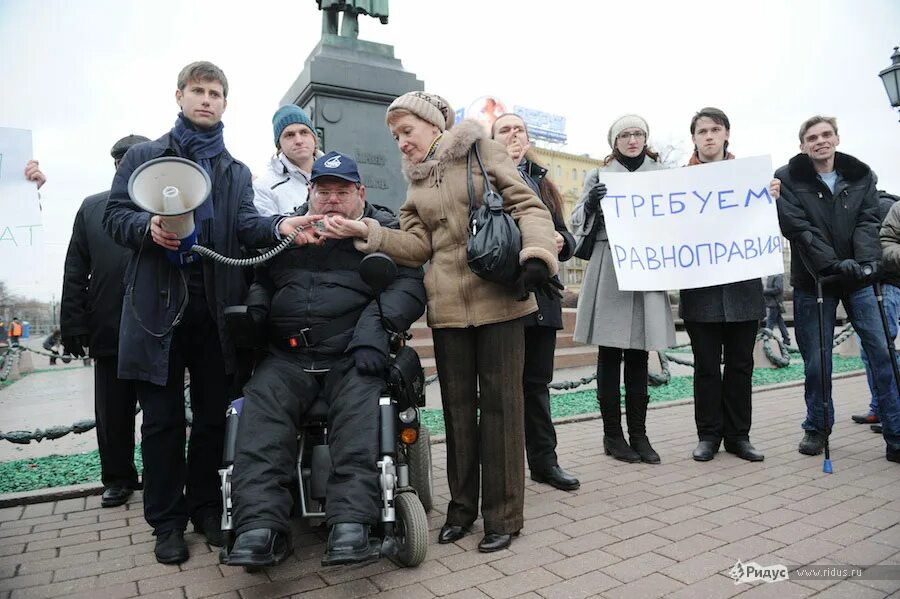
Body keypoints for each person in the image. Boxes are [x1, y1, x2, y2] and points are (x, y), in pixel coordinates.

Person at [324, 91, 559, 553]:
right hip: (448, 312)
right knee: (456, 413)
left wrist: (536, 255)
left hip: (500, 302)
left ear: (433, 126)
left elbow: (528, 207)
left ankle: (504, 516)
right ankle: (462, 510)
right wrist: (367, 232)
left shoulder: (480, 150)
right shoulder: (416, 182)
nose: (401, 143)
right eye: (394, 137)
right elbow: (416, 246)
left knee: (501, 409)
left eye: (406, 132)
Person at [102, 61, 314, 564]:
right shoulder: (144, 157)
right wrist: (145, 227)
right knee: (161, 422)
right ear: (178, 96)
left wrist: (282, 226)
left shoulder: (235, 171)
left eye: (215, 93)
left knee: (215, 419)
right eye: (197, 91)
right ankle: (166, 522)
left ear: (225, 102)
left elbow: (246, 224)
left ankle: (204, 509)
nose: (206, 99)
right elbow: (115, 215)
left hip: (215, 314)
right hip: (158, 312)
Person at [226, 151, 426, 567]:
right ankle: (260, 527)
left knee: (358, 415)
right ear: (310, 193)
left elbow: (408, 287)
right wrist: (258, 311)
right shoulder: (289, 231)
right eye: (323, 191)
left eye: (342, 192)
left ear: (360, 194)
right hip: (288, 357)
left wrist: (374, 334)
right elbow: (262, 279)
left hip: (352, 354)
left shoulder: (383, 230)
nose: (332, 200)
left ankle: (352, 522)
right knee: (260, 413)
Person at [773, 115, 900, 463]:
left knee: (883, 353)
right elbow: (798, 229)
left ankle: (896, 431)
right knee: (817, 360)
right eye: (812, 137)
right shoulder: (786, 179)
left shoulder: (862, 175)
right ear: (802, 145)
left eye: (826, 135)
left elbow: (869, 220)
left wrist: (867, 261)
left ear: (837, 139)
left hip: (859, 276)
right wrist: (831, 264)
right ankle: (816, 426)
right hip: (814, 278)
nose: (820, 141)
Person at [570, 114, 675, 465]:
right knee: (610, 355)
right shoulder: (598, 176)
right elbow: (575, 223)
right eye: (625, 134)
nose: (632, 139)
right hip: (609, 263)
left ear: (646, 139)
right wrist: (591, 204)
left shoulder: (661, 176)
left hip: (646, 265)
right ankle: (613, 436)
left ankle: (640, 434)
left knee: (639, 354)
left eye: (638, 134)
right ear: (614, 142)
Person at [490, 113, 580, 491]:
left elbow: (564, 233)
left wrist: (562, 243)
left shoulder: (544, 183)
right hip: (505, 294)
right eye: (504, 130)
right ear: (491, 141)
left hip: (544, 295)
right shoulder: (485, 179)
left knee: (537, 385)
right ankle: (504, 469)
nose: (513, 135)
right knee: (504, 388)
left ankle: (545, 462)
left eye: (518, 129)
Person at [61, 134, 150, 508]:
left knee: (162, 410)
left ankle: (163, 473)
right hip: (109, 323)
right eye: (121, 159)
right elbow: (75, 269)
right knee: (112, 410)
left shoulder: (163, 203)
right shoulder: (92, 208)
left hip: (155, 324)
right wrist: (74, 324)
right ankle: (117, 477)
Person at [680, 108, 766, 463]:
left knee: (740, 366)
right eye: (702, 131)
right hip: (700, 291)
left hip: (742, 289)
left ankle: (739, 436)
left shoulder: (751, 179)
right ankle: (708, 435)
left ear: (727, 133)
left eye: (715, 129)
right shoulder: (677, 183)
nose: (709, 136)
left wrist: (772, 197)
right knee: (705, 367)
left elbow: (767, 223)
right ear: (695, 138)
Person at [853, 189, 900, 425]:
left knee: (882, 351)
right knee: (882, 351)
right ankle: (882, 408)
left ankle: (888, 411)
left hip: (887, 286)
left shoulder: (878, 206)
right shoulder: (890, 205)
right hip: (885, 285)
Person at [253, 105, 318, 217]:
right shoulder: (263, 187)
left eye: (304, 132)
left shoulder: (338, 173)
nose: (299, 140)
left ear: (314, 138)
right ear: (279, 146)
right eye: (289, 135)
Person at [763, 274, 791, 346]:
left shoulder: (777, 276)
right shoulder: (772, 276)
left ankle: (767, 338)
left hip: (775, 303)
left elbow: (778, 289)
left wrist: (764, 291)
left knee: (770, 321)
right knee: (779, 321)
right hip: (773, 303)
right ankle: (786, 338)